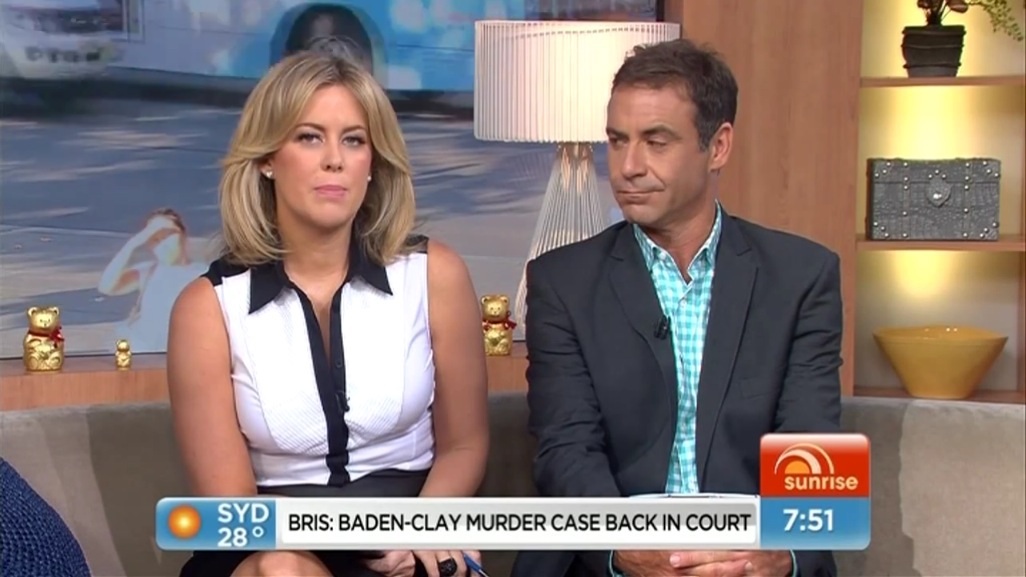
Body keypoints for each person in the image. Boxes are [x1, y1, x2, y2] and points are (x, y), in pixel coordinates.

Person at [511, 38, 842, 577]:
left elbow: (812, 441)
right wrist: (625, 550)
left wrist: (783, 553)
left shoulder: (801, 277)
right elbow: (566, 448)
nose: (628, 167)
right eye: (617, 141)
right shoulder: (562, 282)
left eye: (656, 142)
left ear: (718, 147)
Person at [167, 51, 489, 577]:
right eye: (309, 137)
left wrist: (423, 528)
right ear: (267, 159)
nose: (334, 159)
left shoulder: (435, 276)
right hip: (273, 548)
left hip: (415, 532)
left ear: (373, 163)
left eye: (354, 140)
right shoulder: (207, 309)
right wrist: (359, 543)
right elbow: (231, 510)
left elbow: (466, 444)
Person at [98, 208, 208, 352]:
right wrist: (133, 244)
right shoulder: (149, 271)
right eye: (154, 238)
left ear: (183, 235)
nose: (162, 242)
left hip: (184, 353)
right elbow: (107, 287)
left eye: (168, 234)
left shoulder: (203, 273)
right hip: (146, 354)